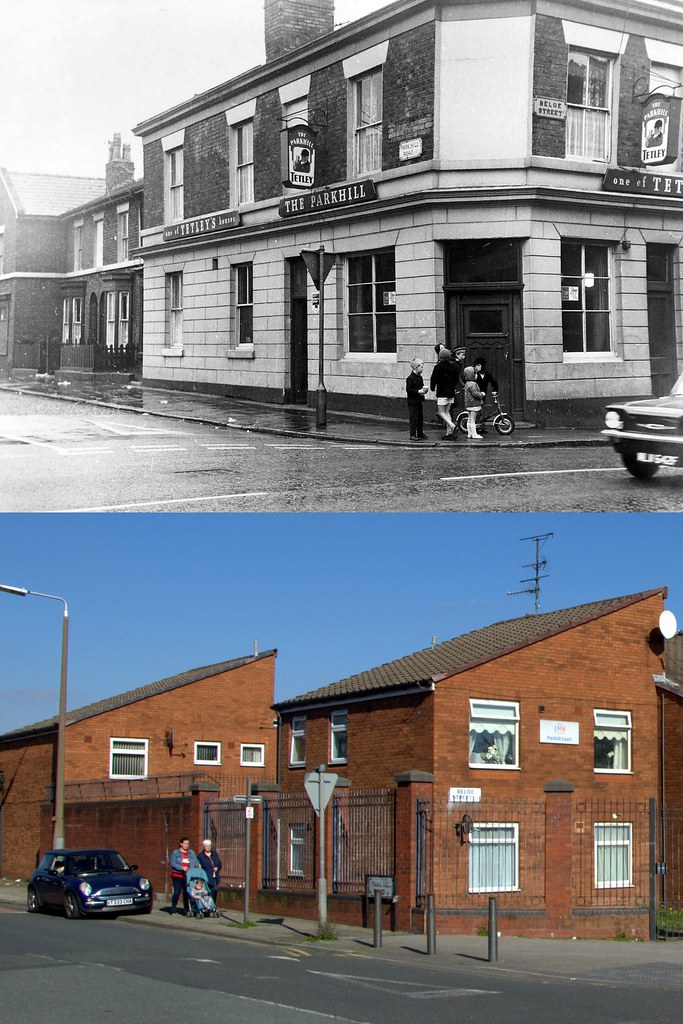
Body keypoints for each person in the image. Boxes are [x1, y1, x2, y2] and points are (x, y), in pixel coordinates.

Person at [429, 348, 458, 439]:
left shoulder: (438, 367)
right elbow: (456, 379)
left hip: (442, 392)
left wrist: (432, 387)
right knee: (447, 412)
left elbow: (433, 379)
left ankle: (452, 426)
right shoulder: (453, 366)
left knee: (441, 412)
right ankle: (449, 433)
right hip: (451, 392)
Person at [170, 836, 198, 915]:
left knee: (188, 892)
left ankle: (187, 909)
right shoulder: (176, 852)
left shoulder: (191, 853)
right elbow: (173, 863)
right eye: (185, 843)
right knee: (177, 892)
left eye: (188, 844)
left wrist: (197, 865)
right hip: (177, 875)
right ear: (181, 844)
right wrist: (181, 867)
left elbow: (196, 861)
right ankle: (173, 908)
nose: (187, 845)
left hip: (188, 876)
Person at [406, 357, 429, 440]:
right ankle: (412, 434)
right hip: (413, 401)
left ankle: (420, 432)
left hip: (419, 400)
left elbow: (421, 387)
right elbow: (409, 390)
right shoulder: (410, 378)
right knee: (414, 418)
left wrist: (424, 391)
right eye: (421, 367)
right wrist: (419, 391)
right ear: (416, 367)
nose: (422, 369)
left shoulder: (420, 377)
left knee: (420, 417)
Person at [473, 357, 498, 433]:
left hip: (483, 395)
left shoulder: (487, 374)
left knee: (481, 409)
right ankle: (477, 426)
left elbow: (494, 383)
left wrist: (495, 391)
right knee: (476, 410)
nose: (476, 367)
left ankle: (480, 425)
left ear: (482, 366)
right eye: (475, 366)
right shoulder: (474, 374)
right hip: (475, 394)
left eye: (478, 365)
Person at [463, 366, 486, 439]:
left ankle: (469, 434)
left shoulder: (467, 383)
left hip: (469, 404)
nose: (476, 375)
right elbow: (475, 394)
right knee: (473, 420)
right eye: (475, 373)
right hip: (474, 404)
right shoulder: (473, 384)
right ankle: (474, 434)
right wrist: (481, 394)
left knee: (469, 419)